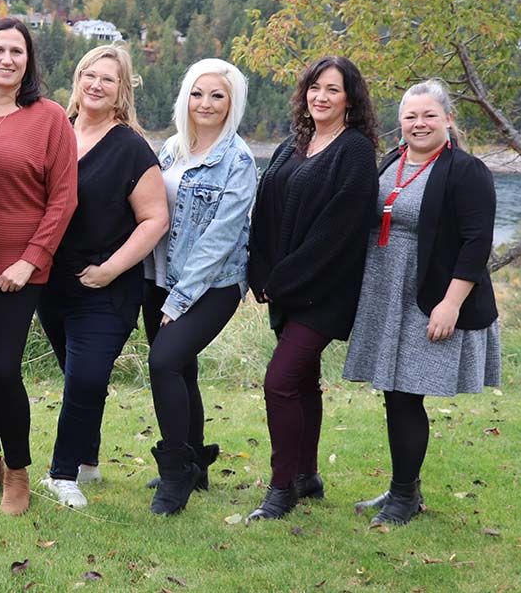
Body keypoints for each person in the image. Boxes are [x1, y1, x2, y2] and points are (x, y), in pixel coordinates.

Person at [343, 79, 500, 526]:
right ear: (400, 124)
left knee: (407, 395)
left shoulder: (466, 170)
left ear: (448, 118)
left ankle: (405, 498)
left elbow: (476, 243)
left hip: (429, 295)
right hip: (385, 292)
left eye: (429, 115)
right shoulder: (390, 162)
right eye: (410, 117)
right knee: (394, 394)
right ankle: (401, 488)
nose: (419, 124)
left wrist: (450, 304)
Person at [0, 17, 77, 516]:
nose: (7, 59)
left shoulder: (49, 119)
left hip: (16, 271)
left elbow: (63, 200)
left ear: (29, 62)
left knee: (2, 370)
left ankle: (19, 473)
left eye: (17, 52)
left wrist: (32, 260)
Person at [246, 56, 380, 520]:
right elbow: (264, 212)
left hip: (324, 292)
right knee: (301, 382)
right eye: (315, 87)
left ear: (350, 100)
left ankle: (280, 490)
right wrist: (258, 272)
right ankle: (306, 476)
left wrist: (279, 280)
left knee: (279, 380)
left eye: (333, 90)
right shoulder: (291, 145)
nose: (320, 97)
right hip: (286, 287)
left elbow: (336, 233)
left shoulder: (356, 152)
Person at [36, 45, 167, 509]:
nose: (95, 84)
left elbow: (155, 219)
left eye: (107, 79)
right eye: (89, 75)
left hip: (106, 286)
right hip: (50, 284)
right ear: (76, 80)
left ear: (121, 91)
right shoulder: (56, 133)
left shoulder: (131, 147)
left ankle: (62, 474)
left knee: (87, 377)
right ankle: (88, 460)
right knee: (78, 375)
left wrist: (111, 268)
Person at [140, 59, 256, 515]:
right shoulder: (172, 149)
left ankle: (175, 475)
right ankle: (197, 460)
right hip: (158, 278)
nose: (205, 104)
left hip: (212, 286)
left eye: (217, 96)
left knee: (164, 362)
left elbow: (223, 236)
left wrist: (183, 296)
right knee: (182, 368)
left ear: (233, 104)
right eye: (197, 94)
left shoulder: (239, 160)